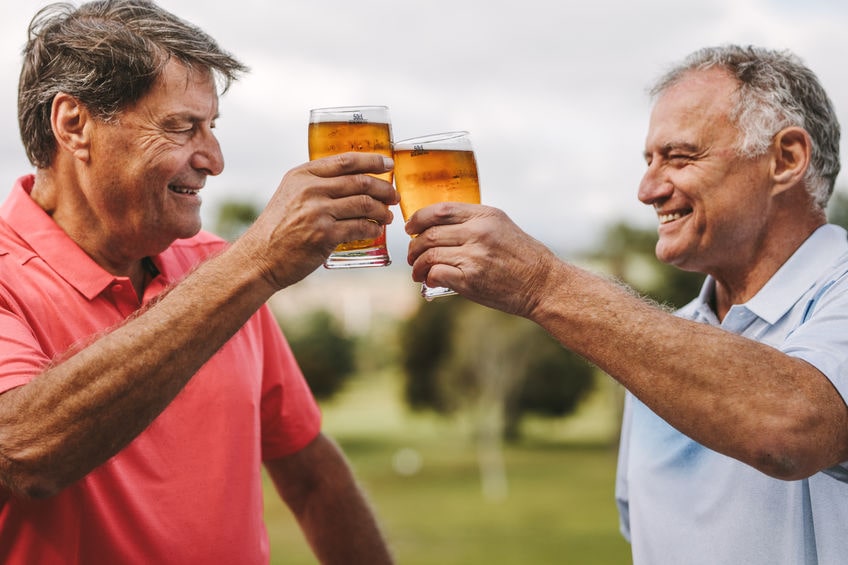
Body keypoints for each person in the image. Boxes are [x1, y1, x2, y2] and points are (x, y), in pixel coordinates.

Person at [406, 45, 848, 564]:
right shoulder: (663, 343)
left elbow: (792, 426)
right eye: (648, 161)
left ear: (787, 159)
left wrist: (543, 285)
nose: (647, 189)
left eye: (680, 157)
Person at [0, 1, 398, 563]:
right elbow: (22, 452)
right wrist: (256, 264)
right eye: (183, 127)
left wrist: (243, 270)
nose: (214, 159)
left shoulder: (221, 268)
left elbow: (310, 474)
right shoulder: (238, 274)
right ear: (74, 124)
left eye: (211, 128)